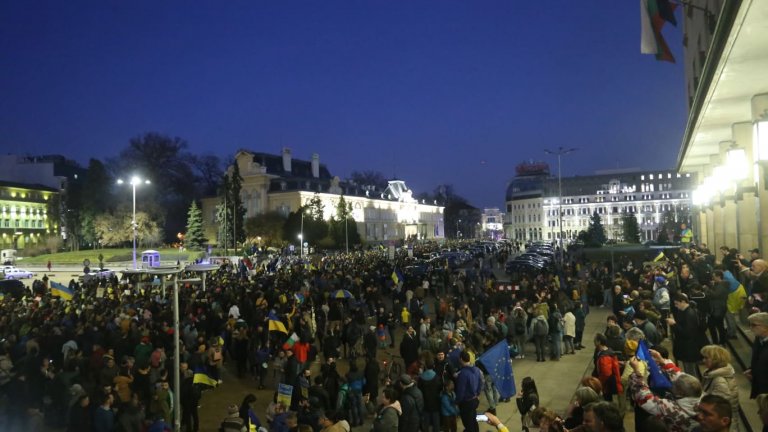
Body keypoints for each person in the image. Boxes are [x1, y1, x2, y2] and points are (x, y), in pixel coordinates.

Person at [700, 345, 740, 431]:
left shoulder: (719, 381)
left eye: (706, 358)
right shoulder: (712, 374)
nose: (703, 360)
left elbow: (717, 408)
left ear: (716, 360)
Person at [668, 293, 707, 377]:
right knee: (689, 369)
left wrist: (674, 324)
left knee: (690, 372)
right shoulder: (684, 311)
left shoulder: (689, 314)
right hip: (686, 347)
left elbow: (687, 333)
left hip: (689, 348)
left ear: (683, 302)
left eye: (677, 304)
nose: (676, 306)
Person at [454, 351, 483, 432]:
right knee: (474, 421)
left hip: (466, 403)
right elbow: (481, 382)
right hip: (474, 400)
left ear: (461, 359)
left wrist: (456, 402)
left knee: (468, 424)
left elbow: (461, 391)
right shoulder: (476, 370)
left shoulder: (463, 374)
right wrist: (477, 393)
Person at [746, 312, 768, 398]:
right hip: (759, 386)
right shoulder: (758, 339)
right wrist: (752, 369)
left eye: (754, 325)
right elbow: (758, 358)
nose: (750, 328)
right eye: (750, 325)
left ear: (766, 327)